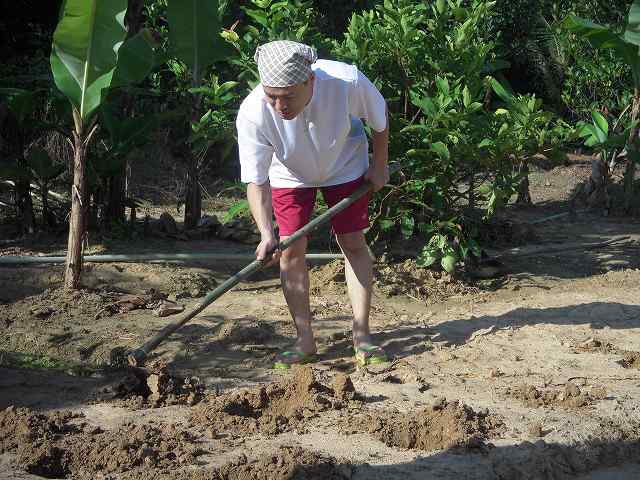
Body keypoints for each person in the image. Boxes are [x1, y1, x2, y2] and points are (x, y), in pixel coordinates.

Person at [236, 40, 389, 369]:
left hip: (345, 162)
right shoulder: (252, 112)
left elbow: (379, 119)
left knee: (353, 242)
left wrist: (380, 165)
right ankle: (304, 340)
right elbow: (256, 180)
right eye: (272, 96)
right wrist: (266, 233)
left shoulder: (346, 81)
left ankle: (362, 335)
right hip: (289, 173)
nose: (280, 106)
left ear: (310, 81)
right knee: (290, 251)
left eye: (288, 96)